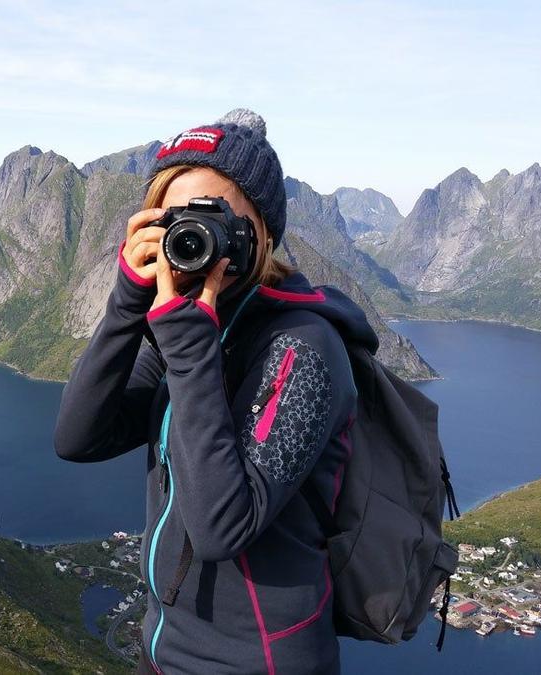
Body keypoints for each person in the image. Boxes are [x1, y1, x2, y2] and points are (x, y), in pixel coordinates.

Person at [53, 109, 378, 674]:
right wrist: (128, 302)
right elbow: (79, 438)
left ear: (263, 232)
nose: (196, 234)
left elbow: (220, 527)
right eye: (179, 217)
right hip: (165, 653)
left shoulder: (302, 347)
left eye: (217, 216)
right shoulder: (190, 326)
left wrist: (188, 347)